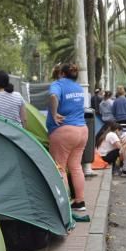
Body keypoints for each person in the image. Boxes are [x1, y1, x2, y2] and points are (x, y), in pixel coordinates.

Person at [47, 62, 88, 211]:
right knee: (76, 167)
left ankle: (63, 205)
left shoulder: (58, 84)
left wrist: (54, 113)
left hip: (64, 131)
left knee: (60, 168)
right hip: (82, 130)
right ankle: (80, 201)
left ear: (62, 74)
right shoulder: (78, 87)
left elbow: (53, 96)